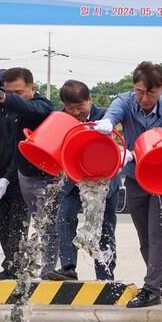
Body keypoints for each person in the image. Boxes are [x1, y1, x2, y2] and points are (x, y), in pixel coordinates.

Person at [93, 61, 162, 308]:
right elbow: (113, 114)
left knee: (157, 233)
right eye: (139, 92)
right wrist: (108, 124)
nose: (144, 98)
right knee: (143, 234)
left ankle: (152, 288)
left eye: (150, 93)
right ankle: (161, 279)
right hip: (136, 177)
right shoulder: (124, 101)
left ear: (161, 89)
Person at [0, 67, 53, 280]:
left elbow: (19, 148)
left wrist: (8, 178)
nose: (11, 97)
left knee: (18, 224)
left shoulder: (38, 107)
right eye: (6, 91)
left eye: (17, 92)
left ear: (32, 87)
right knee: (2, 224)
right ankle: (14, 265)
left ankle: (13, 269)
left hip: (22, 176)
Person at [49, 80, 120, 281]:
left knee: (105, 226)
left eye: (80, 106)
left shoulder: (108, 116)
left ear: (90, 100)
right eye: (70, 108)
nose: (75, 112)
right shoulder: (61, 119)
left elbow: (120, 142)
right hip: (73, 179)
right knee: (65, 218)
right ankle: (68, 267)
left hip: (103, 180)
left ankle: (105, 272)